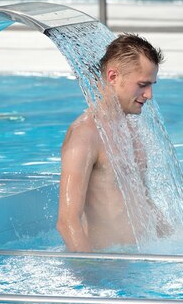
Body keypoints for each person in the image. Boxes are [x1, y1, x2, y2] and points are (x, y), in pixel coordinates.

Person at [56, 34, 164, 252]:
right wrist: (92, 271)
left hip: (142, 260)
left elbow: (144, 202)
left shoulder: (130, 128)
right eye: (142, 85)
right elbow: (68, 223)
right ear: (113, 76)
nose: (149, 95)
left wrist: (182, 243)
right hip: (109, 268)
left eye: (151, 85)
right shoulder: (85, 135)